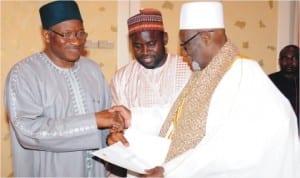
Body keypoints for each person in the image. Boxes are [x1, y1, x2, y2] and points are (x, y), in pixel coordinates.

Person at [109, 2, 300, 178]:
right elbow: (179, 117)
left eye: (185, 44)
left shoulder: (243, 76)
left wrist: (170, 171)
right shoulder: (207, 71)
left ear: (205, 37)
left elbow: (230, 148)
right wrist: (133, 117)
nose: (184, 52)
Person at [3, 1, 129, 177]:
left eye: (80, 33)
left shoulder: (92, 70)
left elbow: (105, 122)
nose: (76, 41)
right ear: (47, 36)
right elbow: (28, 131)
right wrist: (92, 121)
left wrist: (112, 133)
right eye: (67, 34)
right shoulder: (24, 74)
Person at [108, 8, 192, 177]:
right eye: (138, 46)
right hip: (138, 169)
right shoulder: (122, 77)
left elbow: (188, 120)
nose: (145, 52)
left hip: (179, 166)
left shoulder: (188, 69)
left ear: (165, 39)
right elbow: (117, 126)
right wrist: (115, 135)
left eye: (151, 44)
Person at [269, 45, 299, 131]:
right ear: (279, 61)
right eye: (285, 59)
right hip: (277, 130)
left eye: (293, 58)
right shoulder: (270, 81)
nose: (289, 62)